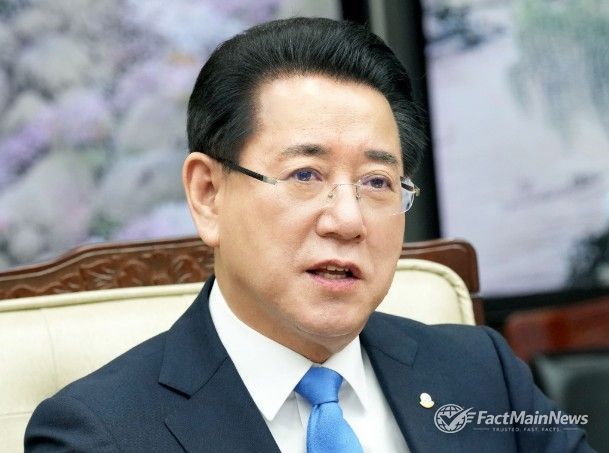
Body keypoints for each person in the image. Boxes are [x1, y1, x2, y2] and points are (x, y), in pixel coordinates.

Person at [25, 17, 593, 452]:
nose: (347, 221)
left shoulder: (481, 371)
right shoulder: (98, 433)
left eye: (377, 182)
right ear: (208, 194)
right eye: (305, 175)